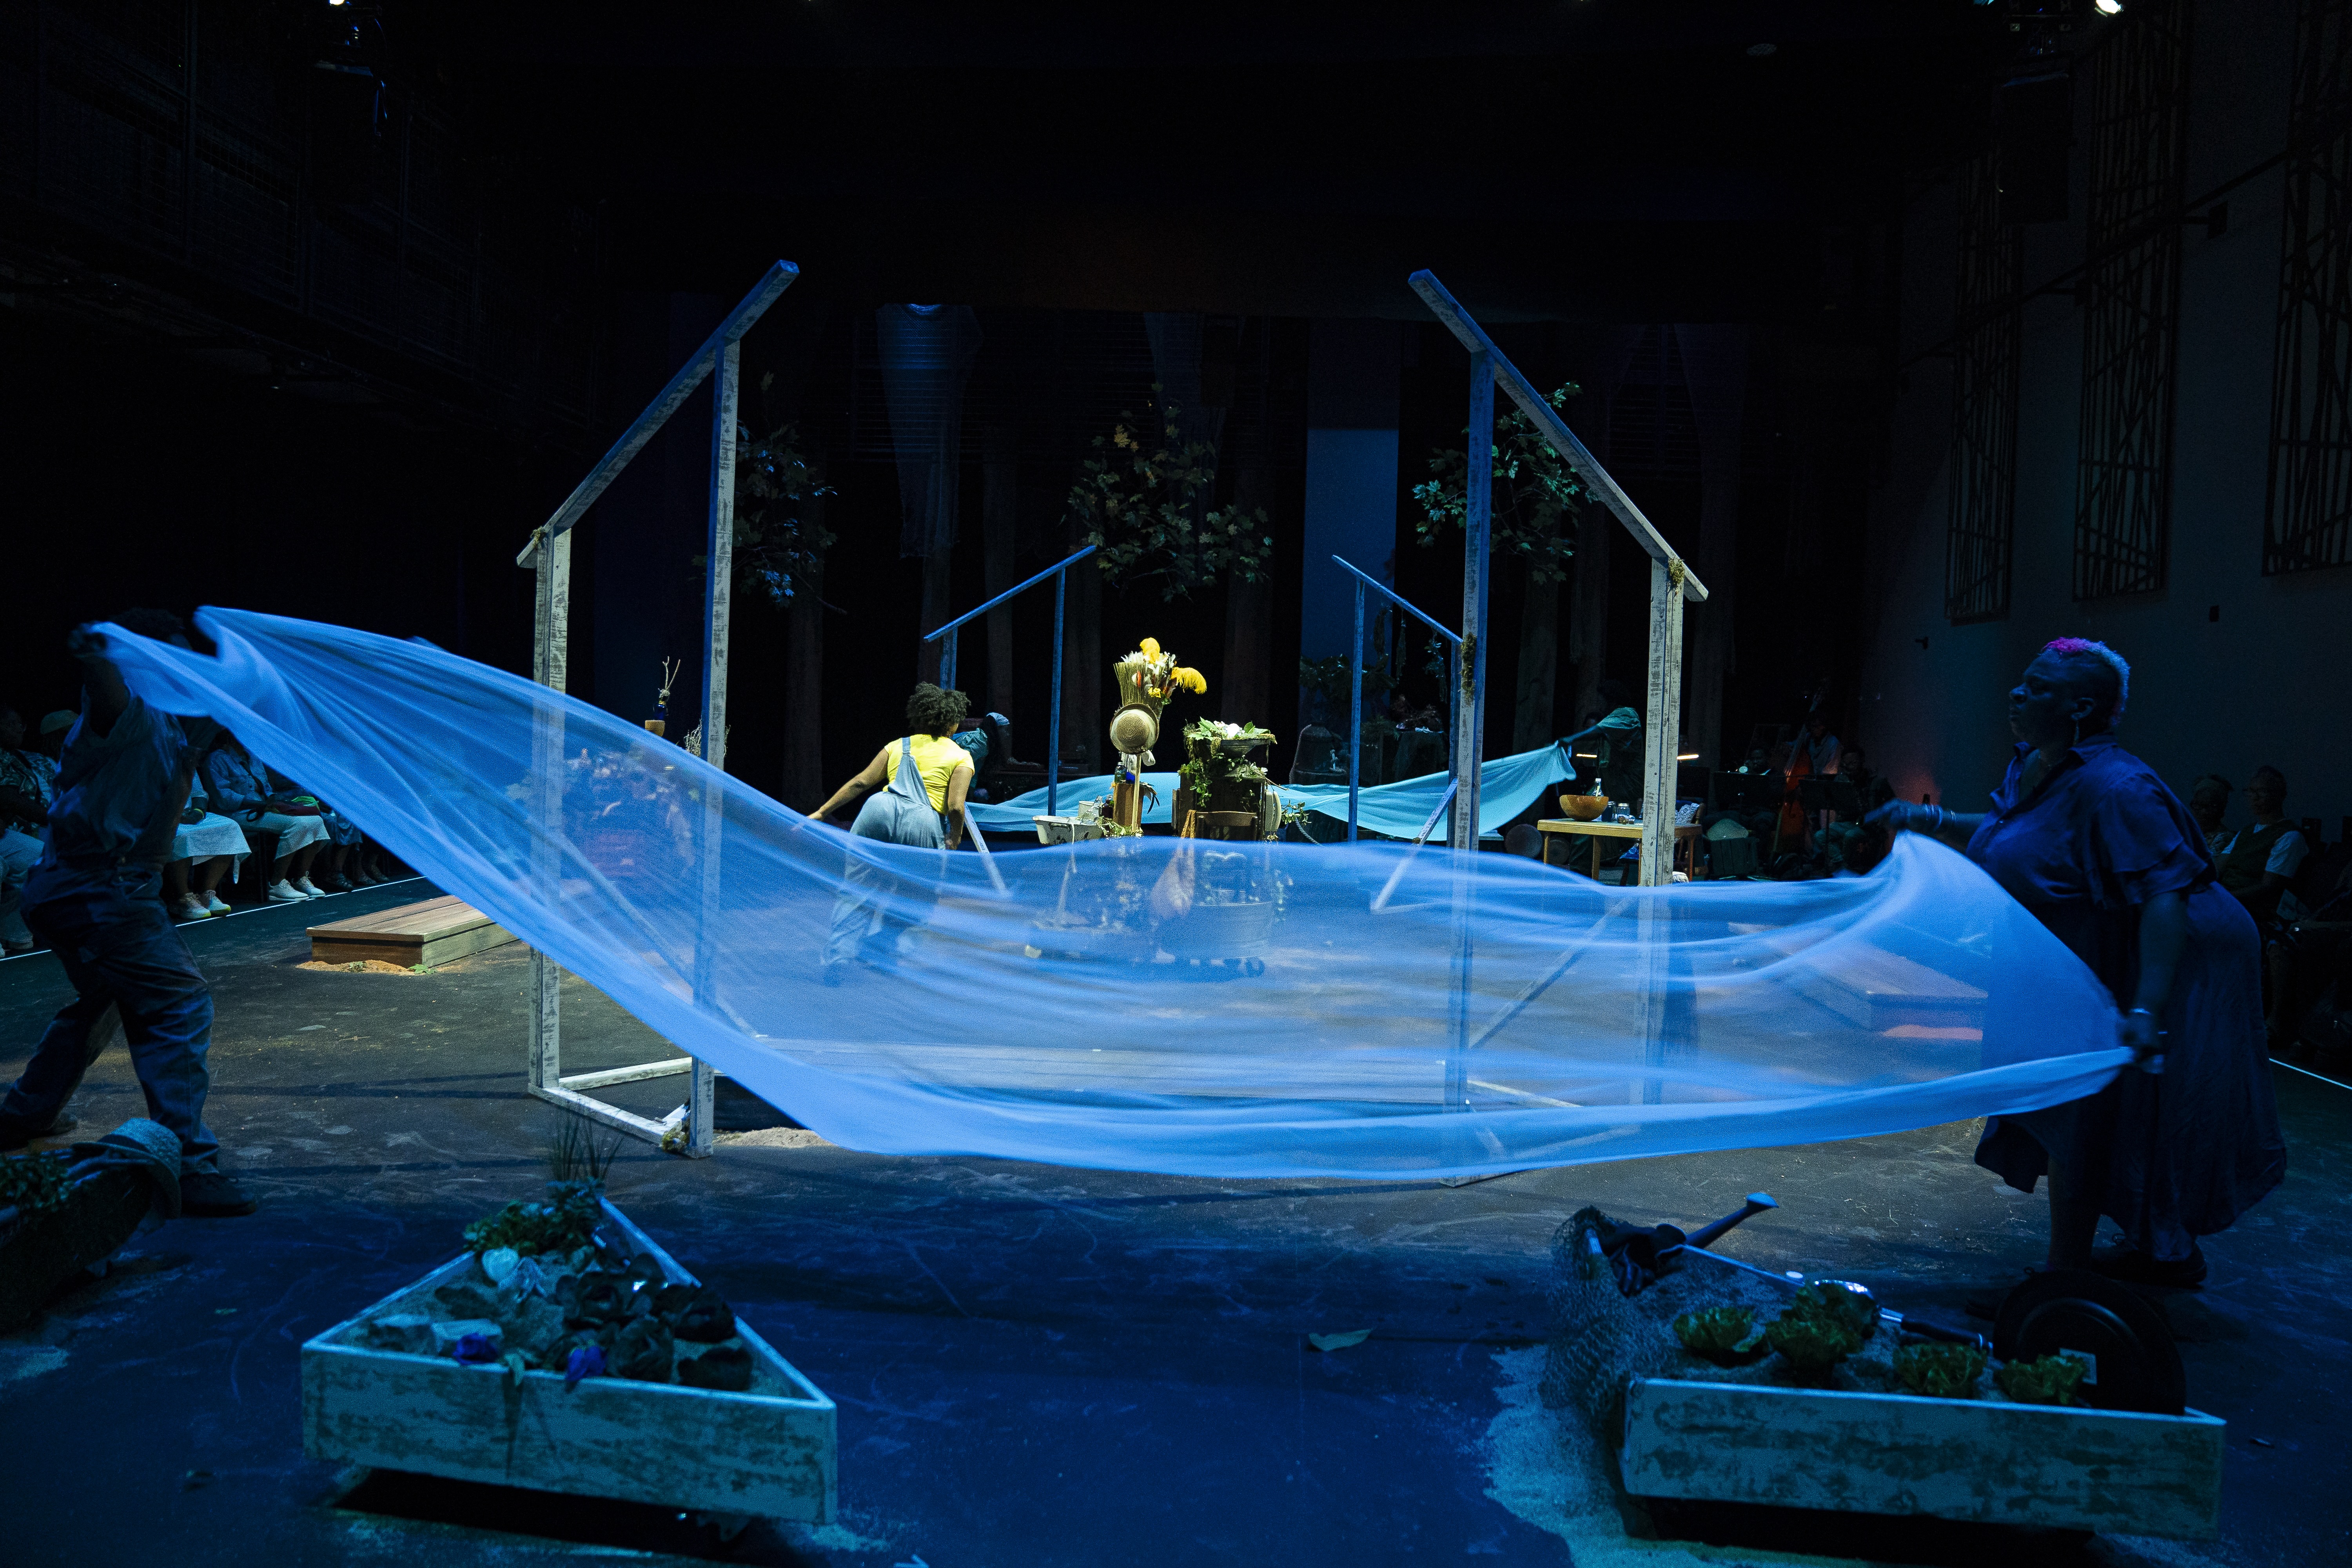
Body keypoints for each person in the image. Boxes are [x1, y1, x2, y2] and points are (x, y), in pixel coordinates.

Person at [1869, 638, 2282, 1287]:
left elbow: (2166, 896)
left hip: (2176, 957)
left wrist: (2146, 1006)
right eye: (2022, 683)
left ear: (2082, 706)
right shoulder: (2041, 766)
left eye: (2037, 688)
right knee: (2097, 1109)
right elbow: (2016, 832)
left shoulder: (2118, 787)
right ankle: (2157, 1252)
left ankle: (2068, 1279)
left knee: (2105, 1111)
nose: (2017, 694)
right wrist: (1932, 819)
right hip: (2099, 947)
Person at [0, 612, 254, 1215]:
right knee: (176, 1004)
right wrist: (97, 654)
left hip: (89, 889)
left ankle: (23, 1113)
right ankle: (189, 1163)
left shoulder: (173, 731)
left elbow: (193, 752)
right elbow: (106, 688)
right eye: (166, 660)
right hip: (96, 891)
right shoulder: (125, 710)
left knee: (106, 999)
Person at [812, 683, 976, 984]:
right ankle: (884, 952)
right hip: (923, 821)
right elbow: (955, 806)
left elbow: (862, 783)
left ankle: (838, 957)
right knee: (918, 895)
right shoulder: (961, 757)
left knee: (856, 887)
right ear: (953, 722)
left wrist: (823, 812)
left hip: (879, 810)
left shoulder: (898, 745)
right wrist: (953, 839)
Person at [199, 728, 330, 901]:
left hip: (265, 809)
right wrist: (262, 804)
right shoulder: (216, 759)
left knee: (316, 821)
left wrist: (276, 802)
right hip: (237, 813)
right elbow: (224, 798)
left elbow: (267, 789)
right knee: (298, 825)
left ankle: (300, 879)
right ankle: (276, 884)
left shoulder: (253, 757)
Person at [0, 705, 62, 956]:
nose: (18, 730)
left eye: (21, 725)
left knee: (42, 861)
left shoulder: (16, 758)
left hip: (9, 832)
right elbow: (9, 798)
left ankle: (13, 931)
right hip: (29, 825)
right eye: (10, 723)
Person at [2213, 766, 2309, 927]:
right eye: (2251, 792)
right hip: (2224, 901)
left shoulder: (2289, 836)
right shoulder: (2246, 832)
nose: (2255, 798)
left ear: (2280, 795)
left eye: (2262, 792)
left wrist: (2223, 898)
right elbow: (2217, 868)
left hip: (2250, 911)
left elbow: (2268, 887)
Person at [2185, 774, 2233, 857]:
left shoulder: (2225, 840)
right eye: (2199, 804)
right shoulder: (2185, 834)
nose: (2204, 812)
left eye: (2211, 806)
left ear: (2222, 808)